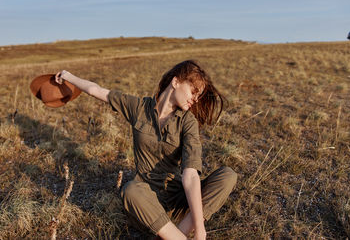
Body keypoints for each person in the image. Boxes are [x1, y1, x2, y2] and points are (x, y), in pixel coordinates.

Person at [55, 60, 237, 240]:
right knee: (130, 189)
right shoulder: (139, 108)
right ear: (176, 82)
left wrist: (200, 229)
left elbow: (190, 174)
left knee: (227, 176)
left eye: (198, 95)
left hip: (178, 200)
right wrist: (67, 75)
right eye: (194, 91)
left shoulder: (187, 121)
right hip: (146, 203)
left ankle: (174, 233)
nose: (195, 99)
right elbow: (97, 90)